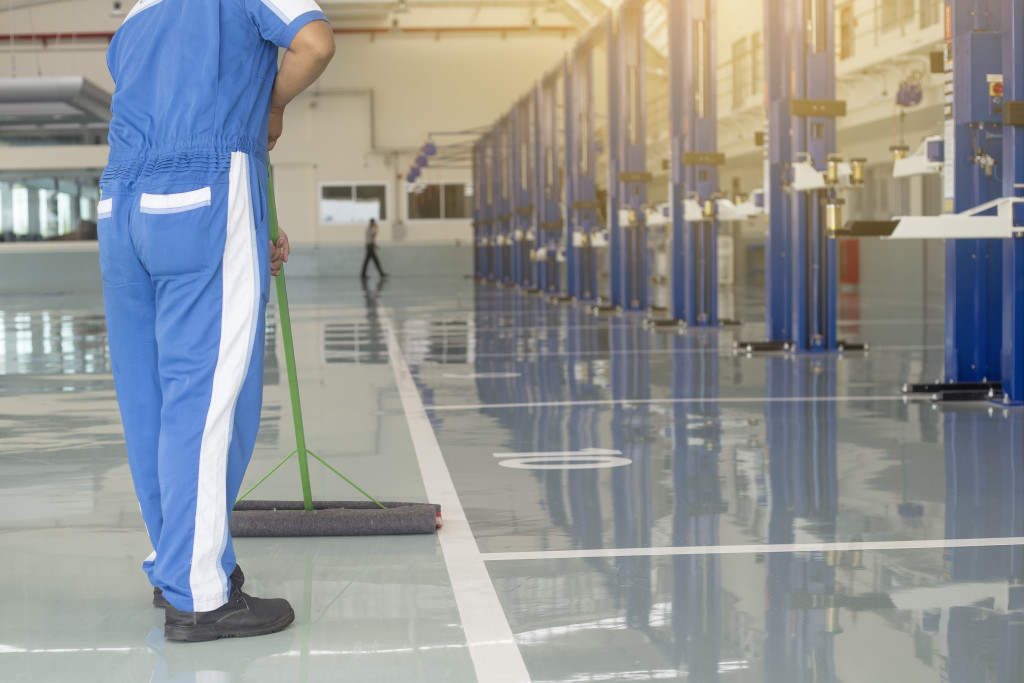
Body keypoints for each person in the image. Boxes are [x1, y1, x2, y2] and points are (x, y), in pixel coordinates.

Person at [97, 0, 334, 642]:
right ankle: (200, 596)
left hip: (121, 205)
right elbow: (313, 45)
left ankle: (174, 564)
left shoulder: (134, 16)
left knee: (150, 404)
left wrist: (255, 223)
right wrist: (271, 106)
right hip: (207, 192)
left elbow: (164, 114)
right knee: (205, 405)